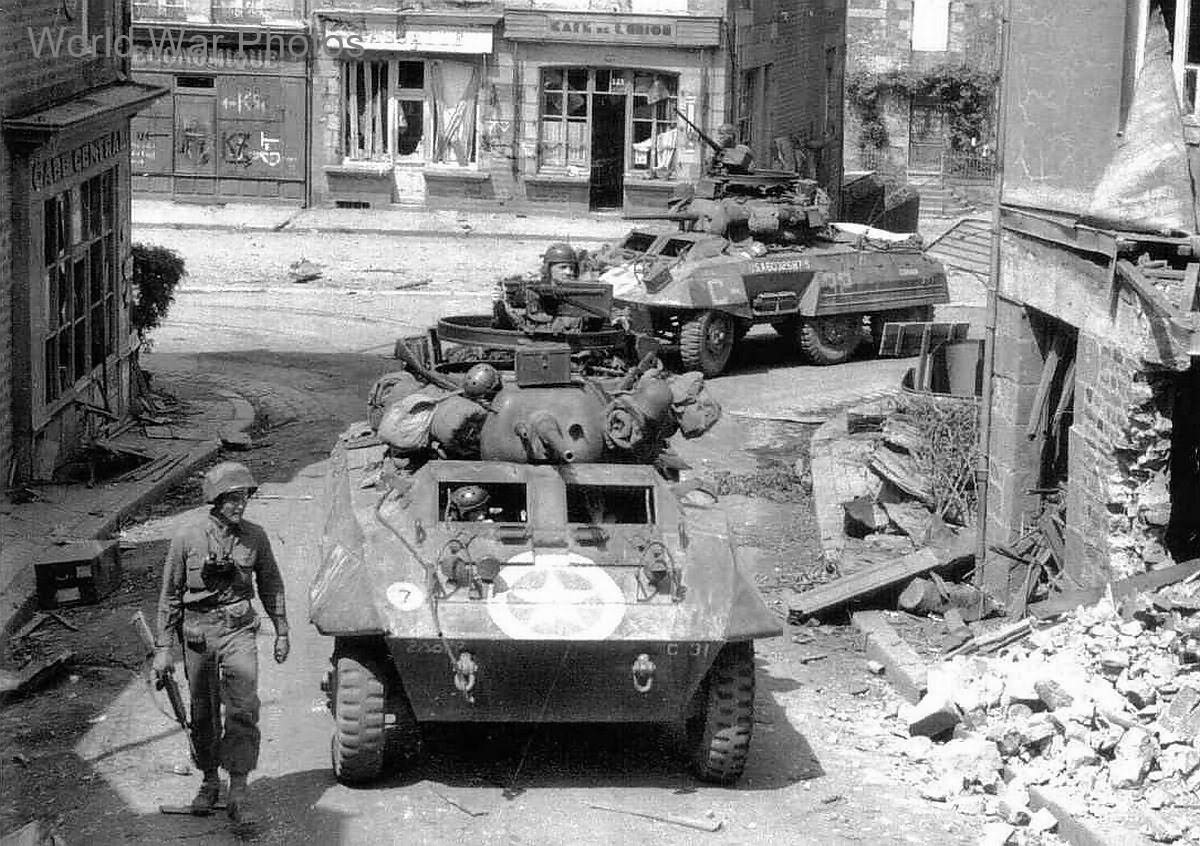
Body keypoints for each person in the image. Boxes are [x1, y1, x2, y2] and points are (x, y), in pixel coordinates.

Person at [153, 461, 289, 824]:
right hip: (197, 634)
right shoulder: (187, 537)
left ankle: (239, 786)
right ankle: (210, 780)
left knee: (243, 707)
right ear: (215, 500)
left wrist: (282, 630)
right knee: (203, 712)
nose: (239, 505)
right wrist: (163, 649)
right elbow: (169, 595)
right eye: (231, 498)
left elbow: (271, 584)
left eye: (243, 497)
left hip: (239, 630)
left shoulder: (255, 537)